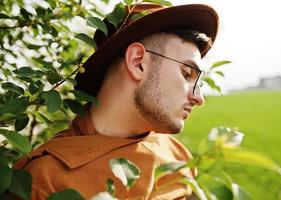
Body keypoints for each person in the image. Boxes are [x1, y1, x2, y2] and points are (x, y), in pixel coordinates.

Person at [14, 3, 219, 199]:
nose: (198, 98)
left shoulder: (176, 153)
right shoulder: (44, 179)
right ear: (137, 62)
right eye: (186, 73)